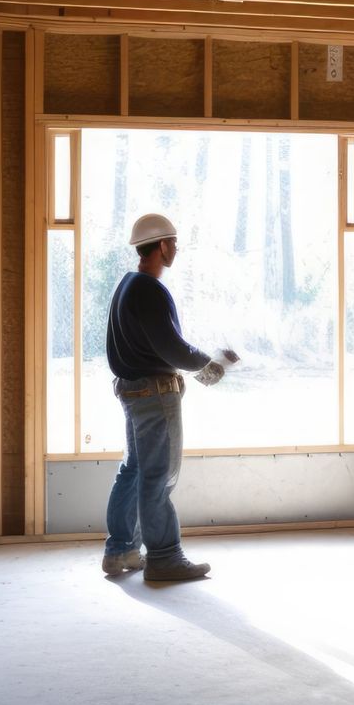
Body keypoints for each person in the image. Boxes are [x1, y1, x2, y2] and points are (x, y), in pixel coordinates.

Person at [102, 213, 238, 581]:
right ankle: (163, 556)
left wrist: (200, 363)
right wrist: (208, 367)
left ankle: (120, 551)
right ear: (162, 246)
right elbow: (170, 346)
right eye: (174, 243)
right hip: (153, 395)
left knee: (133, 471)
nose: (176, 248)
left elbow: (153, 344)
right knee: (158, 476)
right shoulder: (148, 288)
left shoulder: (128, 285)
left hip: (133, 392)